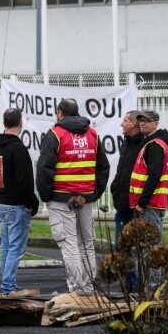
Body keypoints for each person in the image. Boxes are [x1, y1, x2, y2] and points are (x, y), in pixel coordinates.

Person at [36, 98, 110, 295]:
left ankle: (77, 288)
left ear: (60, 113)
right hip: (85, 199)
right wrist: (94, 194)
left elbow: (44, 168)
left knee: (69, 244)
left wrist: (46, 196)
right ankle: (87, 287)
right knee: (86, 243)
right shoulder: (92, 134)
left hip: (61, 199)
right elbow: (103, 167)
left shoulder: (55, 134)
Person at [0, 107, 40, 296]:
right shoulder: (18, 148)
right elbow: (25, 180)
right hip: (16, 205)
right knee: (16, 248)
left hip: (1, 202)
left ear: (4, 124)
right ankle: (8, 287)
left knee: (5, 246)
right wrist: (31, 203)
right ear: (21, 123)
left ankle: (7, 285)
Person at [129, 110, 168, 292]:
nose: (143, 124)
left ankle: (155, 289)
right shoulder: (150, 143)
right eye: (140, 121)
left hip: (150, 205)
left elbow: (154, 176)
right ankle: (153, 286)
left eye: (147, 121)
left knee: (152, 247)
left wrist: (141, 202)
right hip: (149, 204)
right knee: (148, 246)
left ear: (156, 123)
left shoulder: (155, 145)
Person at [109, 110, 145, 249]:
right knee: (120, 248)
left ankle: (135, 272)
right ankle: (126, 272)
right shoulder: (126, 143)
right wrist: (115, 188)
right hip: (122, 202)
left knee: (134, 248)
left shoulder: (144, 144)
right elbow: (121, 170)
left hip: (136, 205)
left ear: (133, 124)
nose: (121, 124)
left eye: (125, 121)